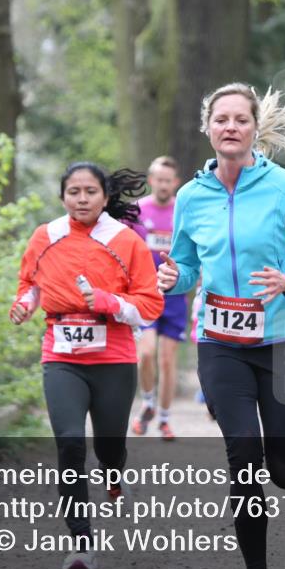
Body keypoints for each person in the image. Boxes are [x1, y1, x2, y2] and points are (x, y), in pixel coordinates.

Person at [156, 83, 285, 569]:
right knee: (243, 454)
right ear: (207, 128)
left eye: (240, 119)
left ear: (256, 128)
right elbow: (188, 266)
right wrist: (176, 279)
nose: (230, 127)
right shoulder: (191, 197)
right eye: (221, 119)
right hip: (219, 341)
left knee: (280, 464)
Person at [9, 162, 164, 569]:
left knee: (109, 448)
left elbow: (150, 305)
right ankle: (81, 543)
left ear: (105, 196)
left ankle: (114, 473)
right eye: (73, 192)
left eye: (90, 192)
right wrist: (25, 304)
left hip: (113, 358)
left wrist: (108, 302)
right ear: (62, 196)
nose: (82, 199)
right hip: (61, 357)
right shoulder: (45, 236)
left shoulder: (125, 240)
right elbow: (30, 284)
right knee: (71, 444)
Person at [125, 156, 189, 441]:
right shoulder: (136, 211)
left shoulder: (184, 211)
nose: (163, 184)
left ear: (175, 183)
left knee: (167, 359)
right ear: (151, 180)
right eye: (158, 179)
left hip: (175, 295)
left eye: (168, 180)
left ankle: (164, 419)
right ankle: (148, 403)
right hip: (144, 292)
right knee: (146, 353)